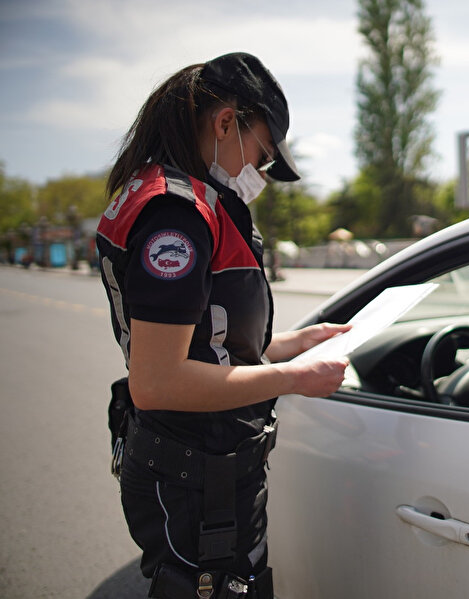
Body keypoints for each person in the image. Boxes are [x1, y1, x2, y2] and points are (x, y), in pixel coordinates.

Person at [96, 52, 350, 599]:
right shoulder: (177, 215)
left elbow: (207, 343)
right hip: (194, 474)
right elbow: (160, 380)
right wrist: (293, 379)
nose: (258, 171)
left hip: (203, 466)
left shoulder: (179, 197)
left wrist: (289, 347)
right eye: (261, 152)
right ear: (226, 122)